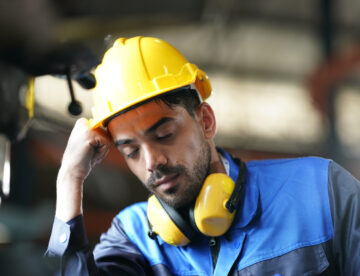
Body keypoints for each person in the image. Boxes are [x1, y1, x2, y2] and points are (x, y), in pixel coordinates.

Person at [46, 36, 360, 275]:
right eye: (131, 151)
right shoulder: (132, 239)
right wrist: (69, 179)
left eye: (164, 135)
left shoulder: (321, 190)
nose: (152, 161)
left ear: (205, 121)